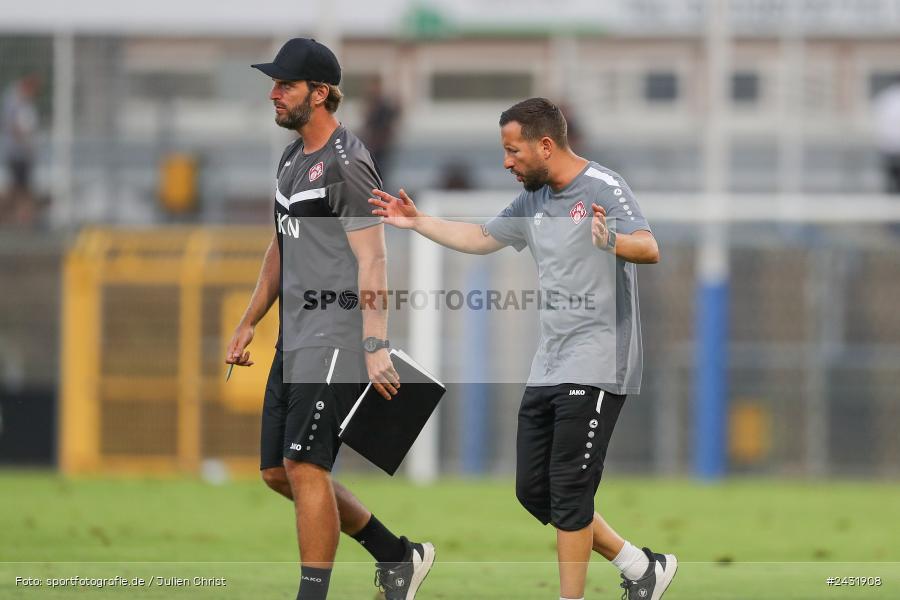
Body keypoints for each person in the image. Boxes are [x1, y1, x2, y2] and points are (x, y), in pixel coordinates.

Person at [370, 97, 676, 600]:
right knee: (534, 492)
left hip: (599, 361)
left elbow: (649, 246)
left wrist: (609, 241)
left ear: (546, 145)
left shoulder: (603, 186)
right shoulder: (532, 200)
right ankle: (640, 566)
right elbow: (481, 236)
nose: (506, 162)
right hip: (549, 363)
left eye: (513, 151)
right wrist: (418, 221)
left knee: (572, 494)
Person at [225, 38, 434, 600]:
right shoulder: (292, 158)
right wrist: (250, 320)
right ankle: (396, 554)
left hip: (337, 334)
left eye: (285, 85)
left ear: (320, 94)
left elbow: (374, 256)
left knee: (306, 465)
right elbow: (281, 245)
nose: (273, 93)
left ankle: (312, 594)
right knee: (277, 471)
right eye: (274, 83)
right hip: (294, 337)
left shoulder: (346, 163)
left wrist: (375, 344)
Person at [1, 75, 39, 225]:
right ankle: (17, 218)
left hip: (23, 153)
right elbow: (13, 127)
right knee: (19, 188)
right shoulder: (13, 102)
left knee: (21, 187)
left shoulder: (24, 103)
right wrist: (25, 141)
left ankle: (21, 218)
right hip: (17, 153)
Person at [873, 81, 900, 194]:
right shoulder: (889, 98)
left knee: (892, 174)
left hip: (889, 143)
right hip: (891, 143)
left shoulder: (886, 97)